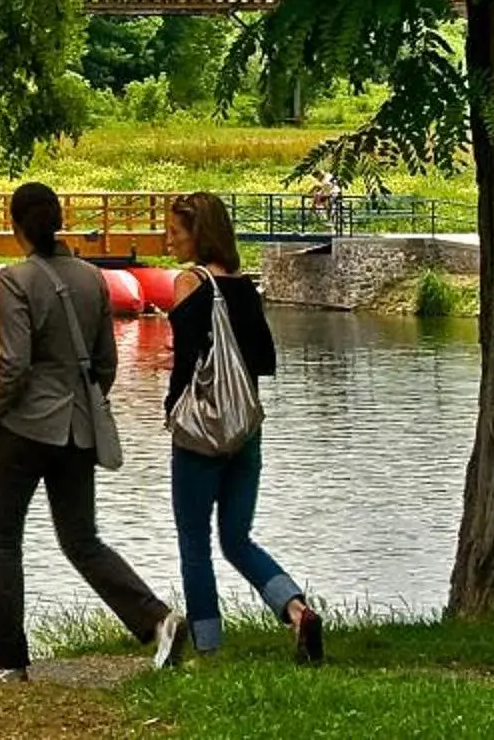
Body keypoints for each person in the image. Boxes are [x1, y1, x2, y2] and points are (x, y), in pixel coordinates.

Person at [0, 181, 187, 681]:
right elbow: (106, 366)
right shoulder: (94, 278)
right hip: (77, 432)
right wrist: (82, 405)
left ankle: (7, 662)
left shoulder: (14, 279)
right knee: (82, 540)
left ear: (16, 224)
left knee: (4, 541)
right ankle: (156, 619)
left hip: (23, 430)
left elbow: (15, 364)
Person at [165, 190, 324, 665]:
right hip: (246, 431)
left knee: (194, 542)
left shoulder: (189, 285)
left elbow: (185, 365)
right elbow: (267, 361)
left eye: (176, 231)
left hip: (201, 433)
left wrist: (173, 410)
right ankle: (296, 611)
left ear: (200, 234)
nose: (169, 239)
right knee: (236, 539)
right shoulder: (245, 287)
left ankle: (209, 650)